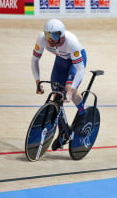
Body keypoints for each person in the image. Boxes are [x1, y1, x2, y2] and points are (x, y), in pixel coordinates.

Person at [31, 18, 87, 151]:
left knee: (68, 89)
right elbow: (34, 60)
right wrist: (37, 82)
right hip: (61, 61)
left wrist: (70, 91)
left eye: (54, 35)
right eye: (47, 35)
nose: (49, 39)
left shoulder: (71, 42)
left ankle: (83, 114)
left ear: (61, 35)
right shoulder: (42, 39)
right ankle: (62, 131)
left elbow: (80, 69)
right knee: (56, 96)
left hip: (76, 63)